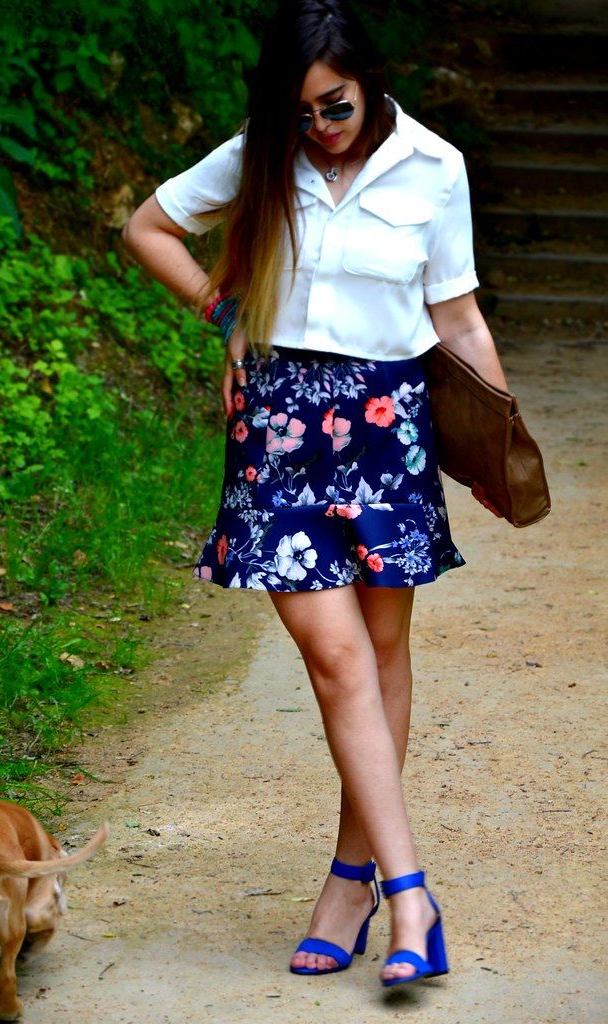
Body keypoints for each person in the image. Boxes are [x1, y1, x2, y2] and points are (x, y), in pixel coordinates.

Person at [122, 0, 506, 989]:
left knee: (380, 653)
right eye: (299, 114)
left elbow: (457, 318)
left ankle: (349, 880)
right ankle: (412, 895)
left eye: (334, 106)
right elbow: (149, 227)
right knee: (336, 658)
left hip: (386, 424)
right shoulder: (262, 153)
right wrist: (224, 315)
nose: (319, 129)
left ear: (368, 82)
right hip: (279, 429)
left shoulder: (433, 167)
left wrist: (501, 442)